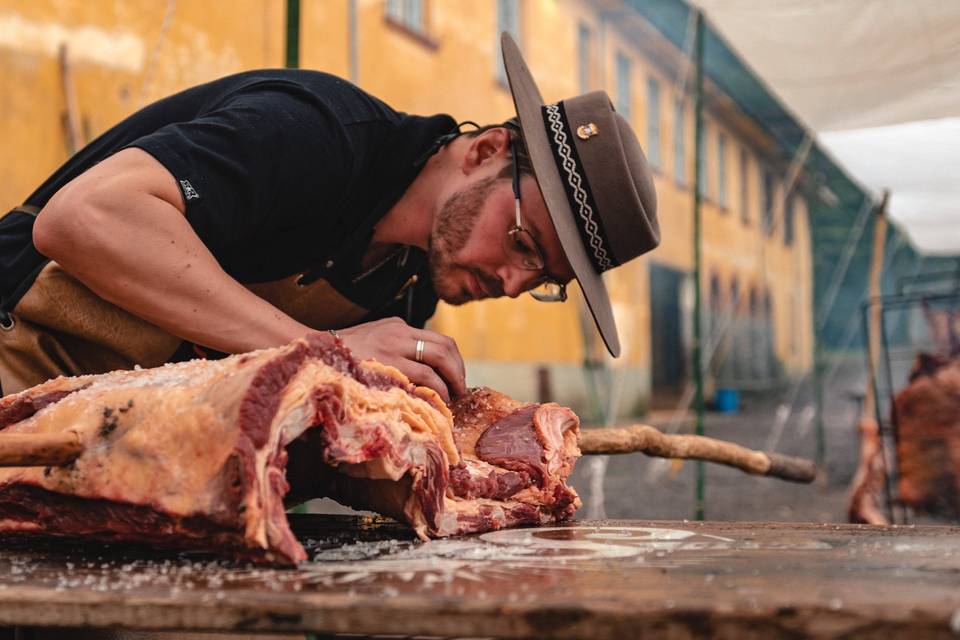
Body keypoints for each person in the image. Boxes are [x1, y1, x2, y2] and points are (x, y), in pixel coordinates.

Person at [0, 34, 659, 403]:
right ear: (486, 150)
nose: (514, 283)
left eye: (543, 277)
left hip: (103, 452)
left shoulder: (408, 288)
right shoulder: (318, 135)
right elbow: (84, 219)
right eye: (522, 241)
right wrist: (321, 351)